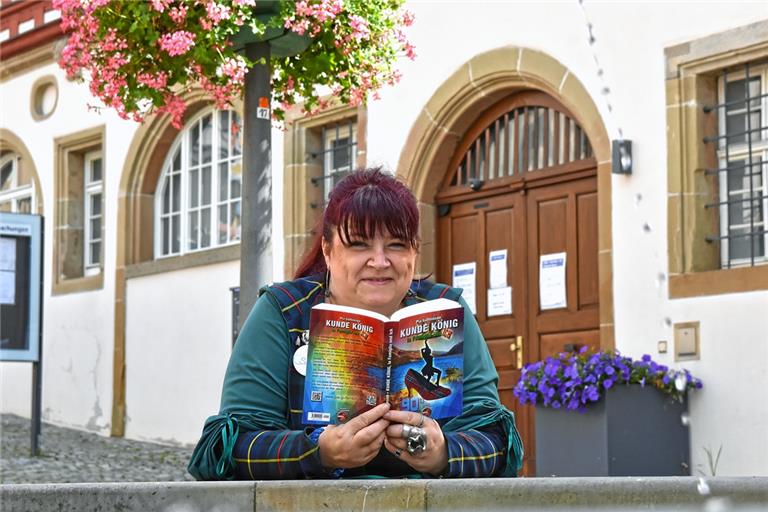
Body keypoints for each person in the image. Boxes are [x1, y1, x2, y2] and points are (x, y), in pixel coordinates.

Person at [188, 168, 523, 479]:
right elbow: (227, 447)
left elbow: (497, 439)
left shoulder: (448, 308)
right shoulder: (282, 311)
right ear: (328, 250)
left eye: (396, 244)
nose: (379, 261)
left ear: (415, 252)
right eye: (360, 244)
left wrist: (444, 453)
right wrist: (318, 451)